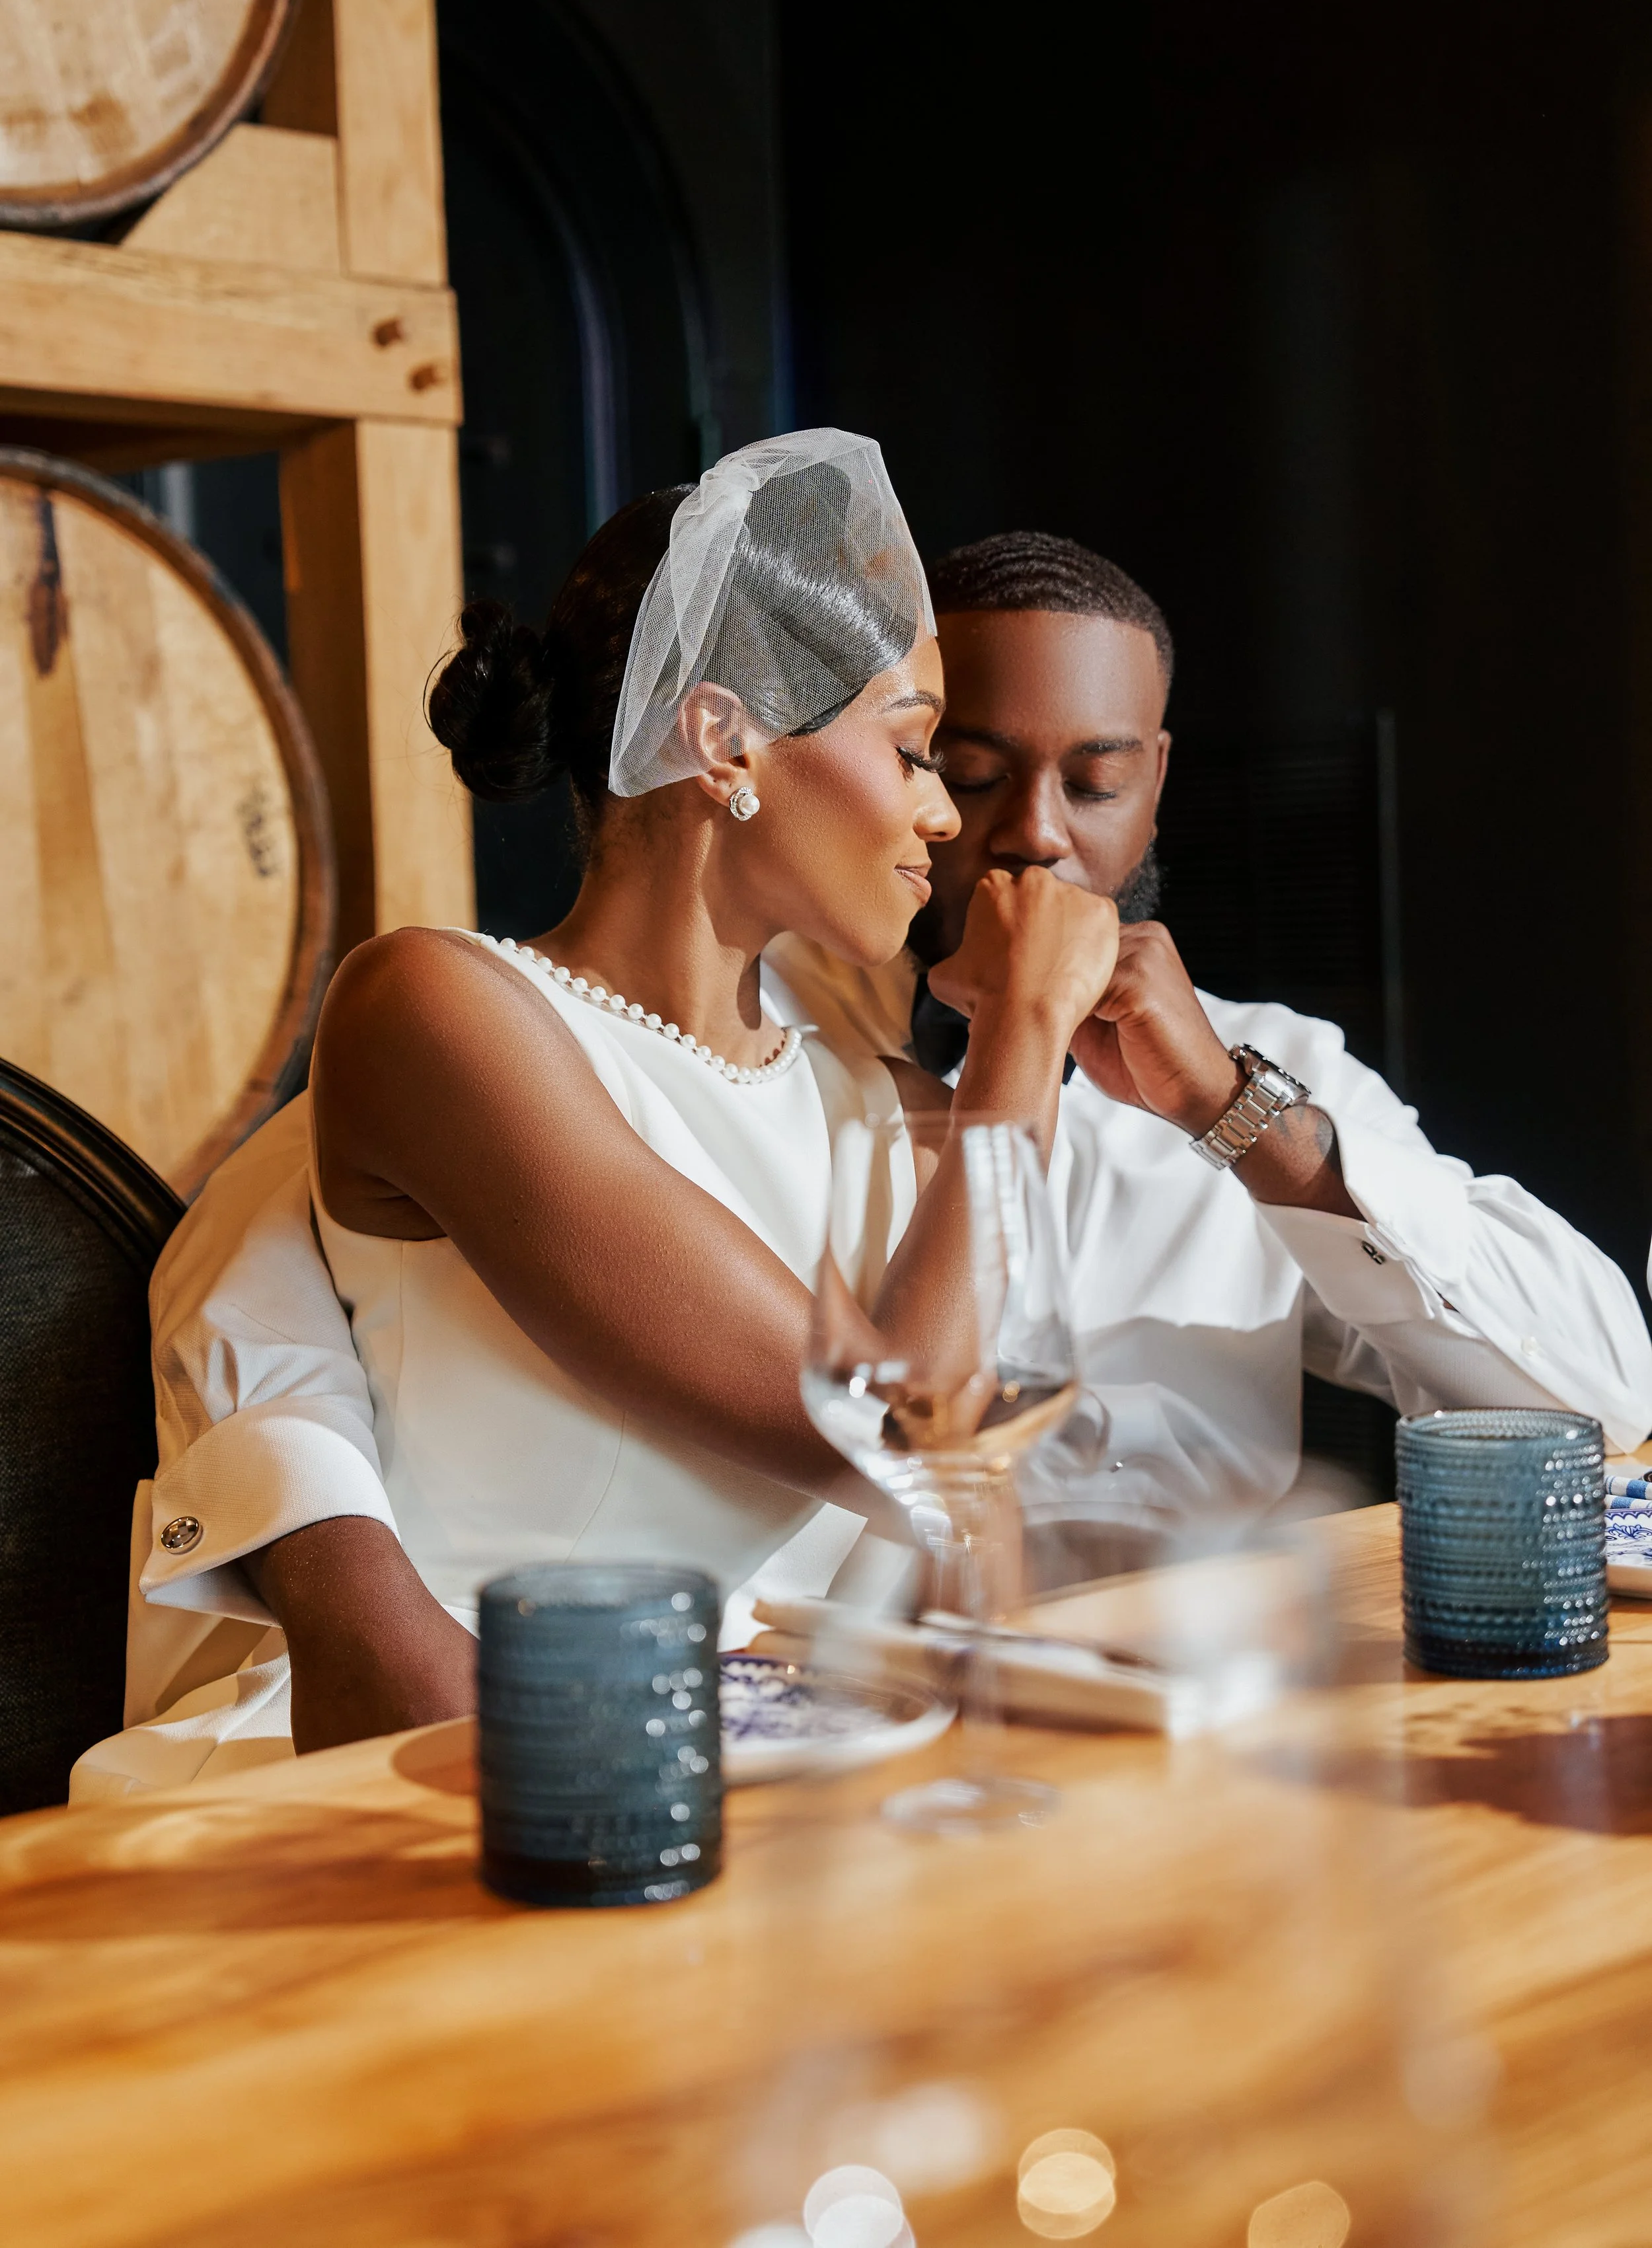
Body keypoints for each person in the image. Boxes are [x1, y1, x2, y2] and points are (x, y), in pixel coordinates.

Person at [71, 435, 1117, 1801]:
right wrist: (1024, 1036)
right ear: (723, 735)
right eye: (912, 746)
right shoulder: (438, 1007)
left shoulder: (889, 1113)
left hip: (771, 1791)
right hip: (436, 1772)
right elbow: (889, 1437)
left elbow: (975, 1521)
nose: (939, 817)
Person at [763, 532, 1652, 1575]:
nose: (1037, 835)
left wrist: (1233, 1108)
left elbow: (1603, 1394)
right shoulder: (765, 1040)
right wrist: (1021, 1022)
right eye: (971, 774)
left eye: (1094, 783)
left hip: (1218, 1667)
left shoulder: (1268, 1058)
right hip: (882, 1688)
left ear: (1155, 784)